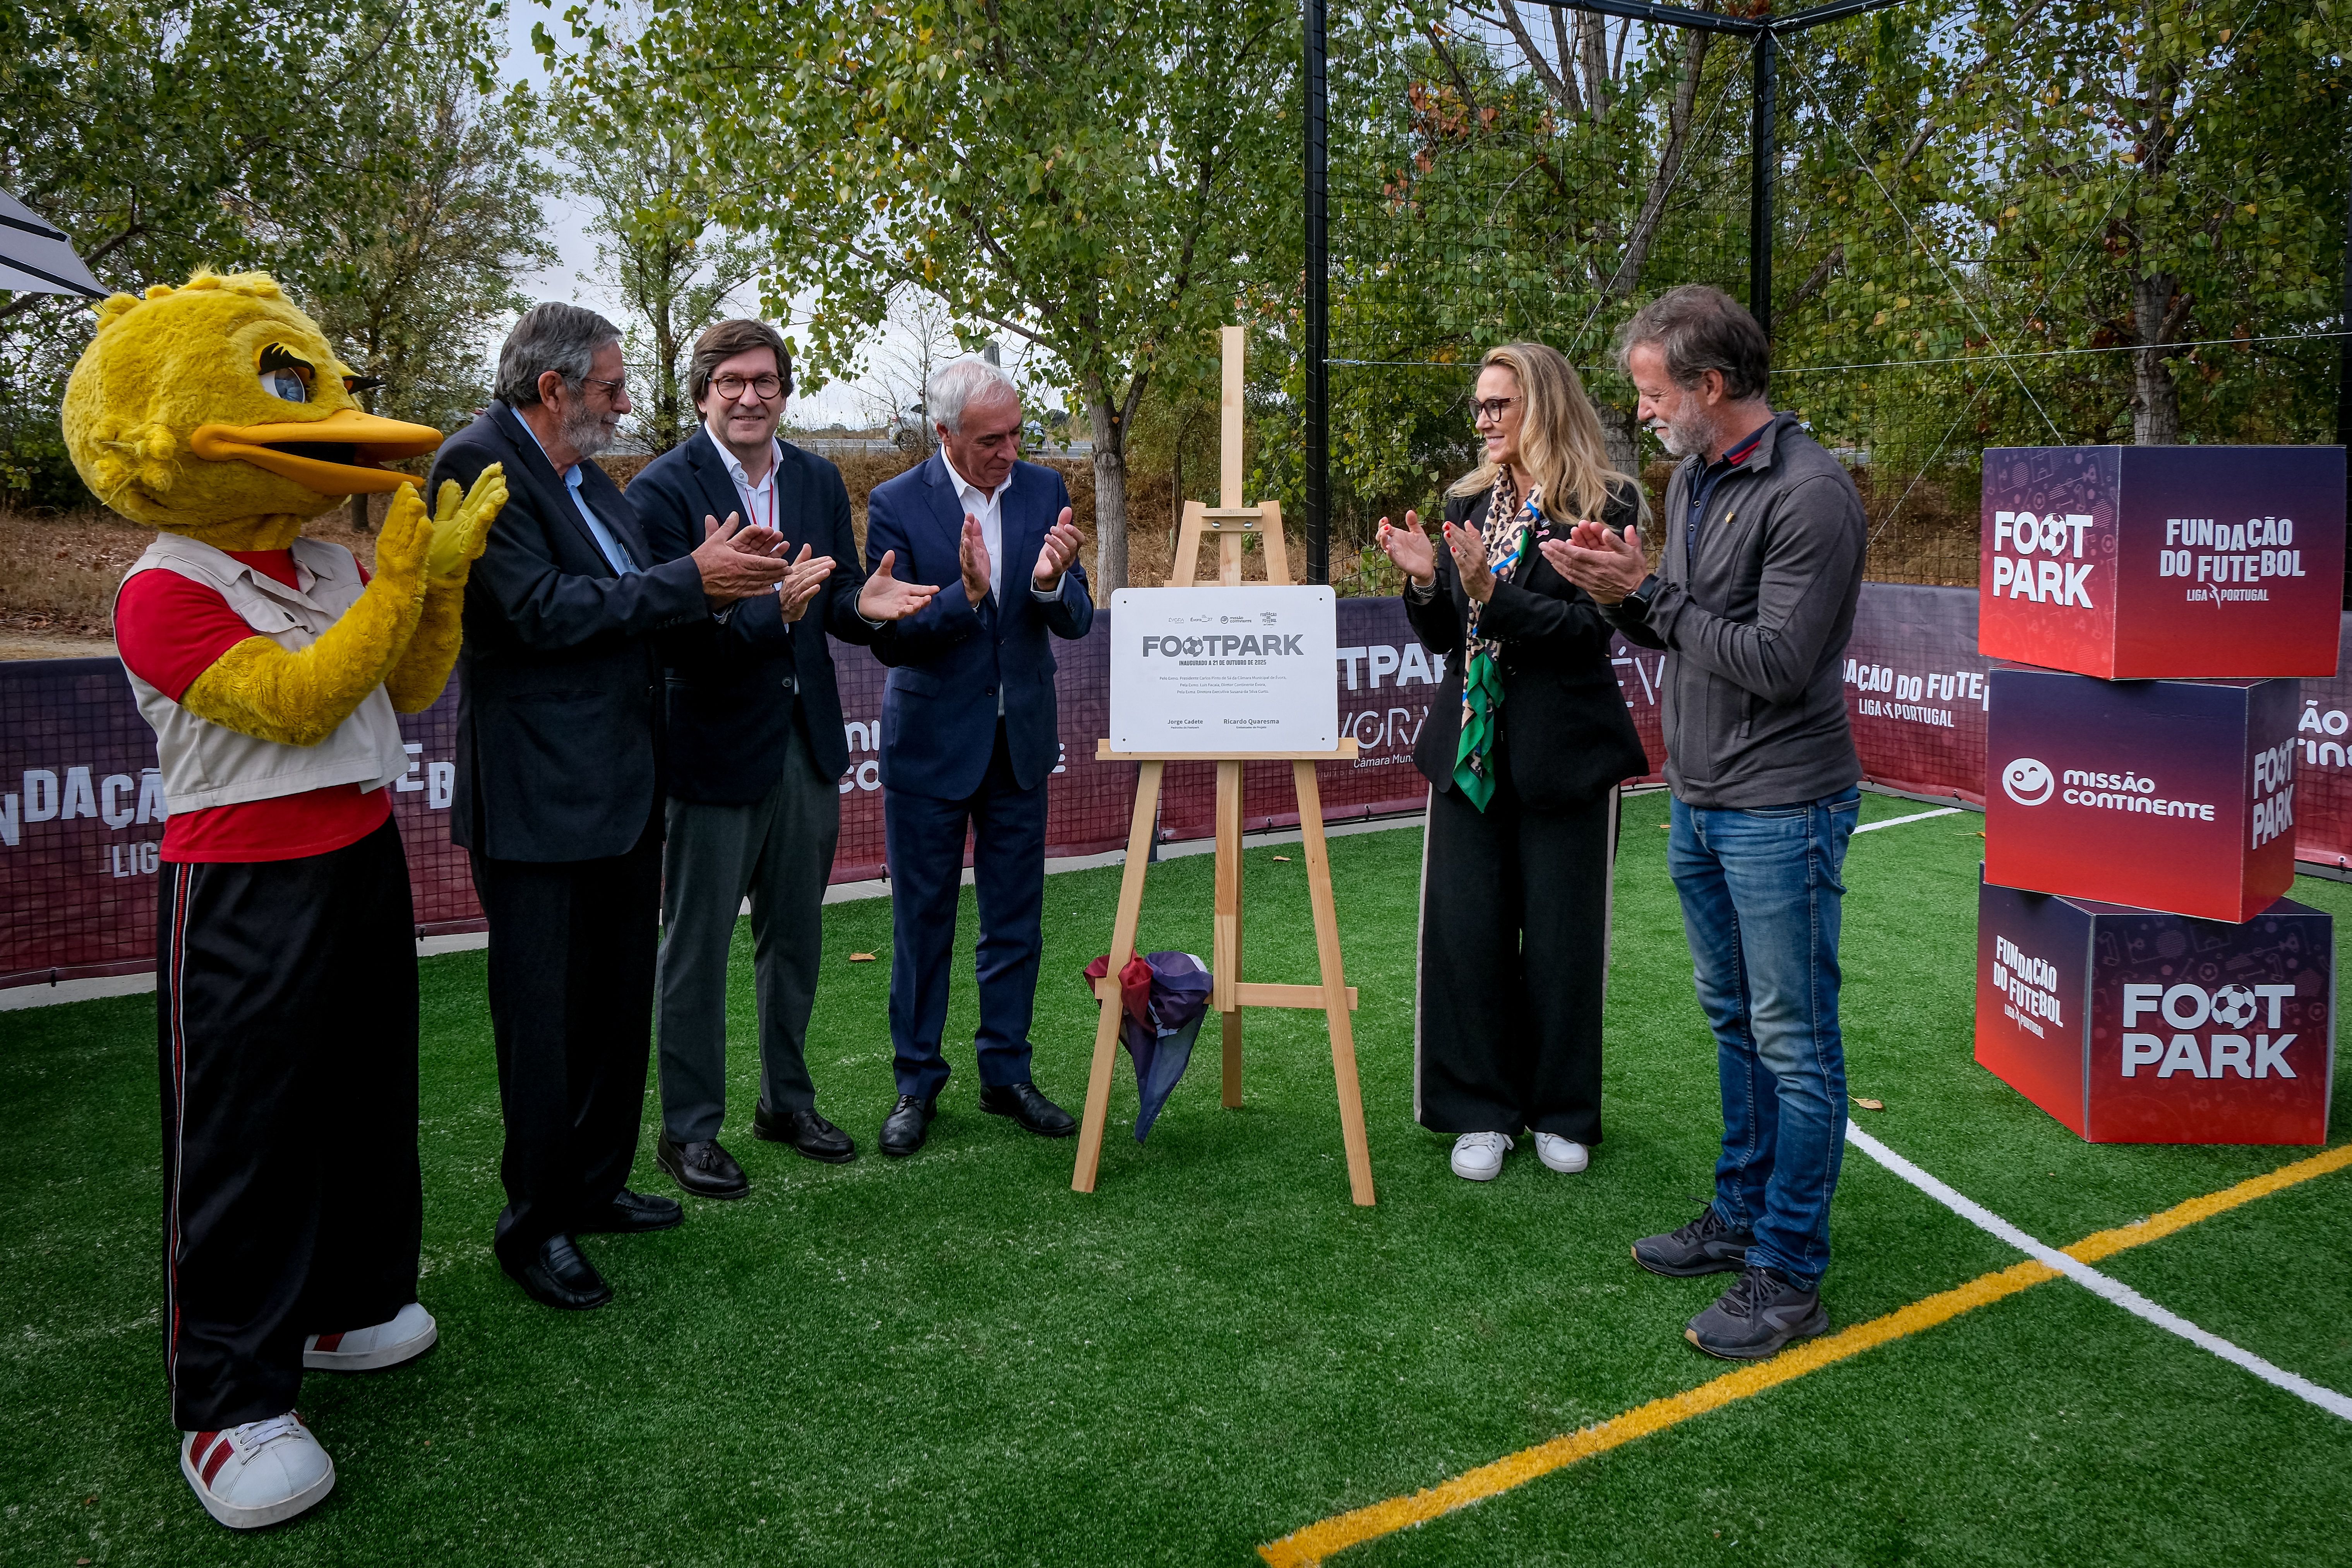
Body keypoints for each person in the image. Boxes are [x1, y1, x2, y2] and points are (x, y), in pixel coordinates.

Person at [427, 303, 792, 1311]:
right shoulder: (475, 464)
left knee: (610, 1008)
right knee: (541, 1025)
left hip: (626, 788)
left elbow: (646, 602)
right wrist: (689, 576)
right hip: (539, 799)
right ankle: (533, 1224)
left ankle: (591, 1187)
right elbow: (535, 612)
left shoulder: (591, 480)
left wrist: (734, 588)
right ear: (552, 389)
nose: (628, 403)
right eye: (611, 387)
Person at [1546, 284, 1868, 1361]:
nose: (1640, 412)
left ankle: (1789, 1271)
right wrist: (1614, 587)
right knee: (1735, 1023)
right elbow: (1678, 630)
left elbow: (1775, 664)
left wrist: (1654, 593)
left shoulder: (1811, 494)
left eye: (1649, 392)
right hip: (1701, 799)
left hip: (1782, 807)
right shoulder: (1691, 480)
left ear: (1709, 386)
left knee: (1795, 1042)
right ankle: (1739, 1218)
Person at [629, 319, 938, 1198]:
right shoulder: (658, 492)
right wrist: (780, 613)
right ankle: (687, 1132)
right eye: (730, 381)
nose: (749, 395)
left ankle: (784, 1103)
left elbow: (831, 597)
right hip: (711, 753)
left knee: (794, 941)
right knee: (694, 951)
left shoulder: (812, 477)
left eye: (764, 380)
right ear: (701, 394)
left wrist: (865, 607)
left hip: (807, 749)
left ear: (783, 391)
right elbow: (676, 635)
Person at [1373, 343, 1650, 1186]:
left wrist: (1495, 595)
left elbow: (1585, 633)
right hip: (1470, 746)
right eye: (1480, 406)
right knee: (1467, 933)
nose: (1485, 420)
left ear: (1546, 406)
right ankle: (1479, 1113)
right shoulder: (1466, 501)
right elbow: (1446, 635)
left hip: (1565, 752)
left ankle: (1561, 1112)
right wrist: (1427, 587)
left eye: (1502, 404)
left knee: (1566, 941)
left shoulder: (1606, 502)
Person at [863, 358, 1093, 1156]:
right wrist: (964, 594)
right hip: (929, 748)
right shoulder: (895, 504)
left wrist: (1044, 583)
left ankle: (1006, 1074)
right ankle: (915, 1084)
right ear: (944, 434)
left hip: (1018, 746)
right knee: (921, 923)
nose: (1009, 450)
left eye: (1017, 433)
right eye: (991, 439)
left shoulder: (1041, 491)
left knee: (1014, 921)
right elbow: (889, 640)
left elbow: (1078, 620)